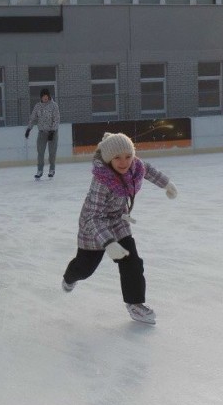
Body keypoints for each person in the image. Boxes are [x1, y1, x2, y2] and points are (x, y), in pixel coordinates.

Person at [61, 132, 178, 325]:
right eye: (117, 158)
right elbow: (93, 218)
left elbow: (147, 170)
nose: (124, 162)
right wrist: (108, 243)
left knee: (132, 261)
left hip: (118, 220)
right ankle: (69, 276)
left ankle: (135, 304)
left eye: (128, 156)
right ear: (108, 159)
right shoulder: (101, 181)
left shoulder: (134, 166)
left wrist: (166, 183)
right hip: (93, 226)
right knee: (85, 269)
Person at [25, 88, 60, 179]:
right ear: (41, 97)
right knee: (40, 152)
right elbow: (33, 118)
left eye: (46, 97)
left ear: (49, 96)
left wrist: (52, 131)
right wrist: (29, 129)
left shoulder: (54, 106)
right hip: (42, 133)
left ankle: (52, 169)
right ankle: (39, 170)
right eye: (43, 97)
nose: (45, 98)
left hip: (53, 132)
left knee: (52, 152)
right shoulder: (37, 106)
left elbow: (56, 119)